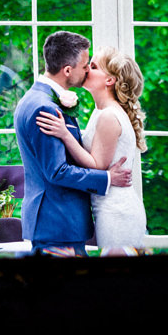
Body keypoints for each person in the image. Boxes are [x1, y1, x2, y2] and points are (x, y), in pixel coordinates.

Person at [13, 30, 132, 257]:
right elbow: (57, 171)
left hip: (57, 222)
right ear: (68, 70)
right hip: (57, 222)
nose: (88, 70)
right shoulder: (45, 107)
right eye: (86, 65)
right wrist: (107, 178)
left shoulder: (36, 99)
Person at [36, 45, 147, 256]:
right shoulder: (101, 111)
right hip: (108, 208)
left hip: (117, 214)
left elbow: (97, 165)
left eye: (93, 66)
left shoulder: (108, 116)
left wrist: (64, 134)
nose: (86, 68)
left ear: (109, 80)